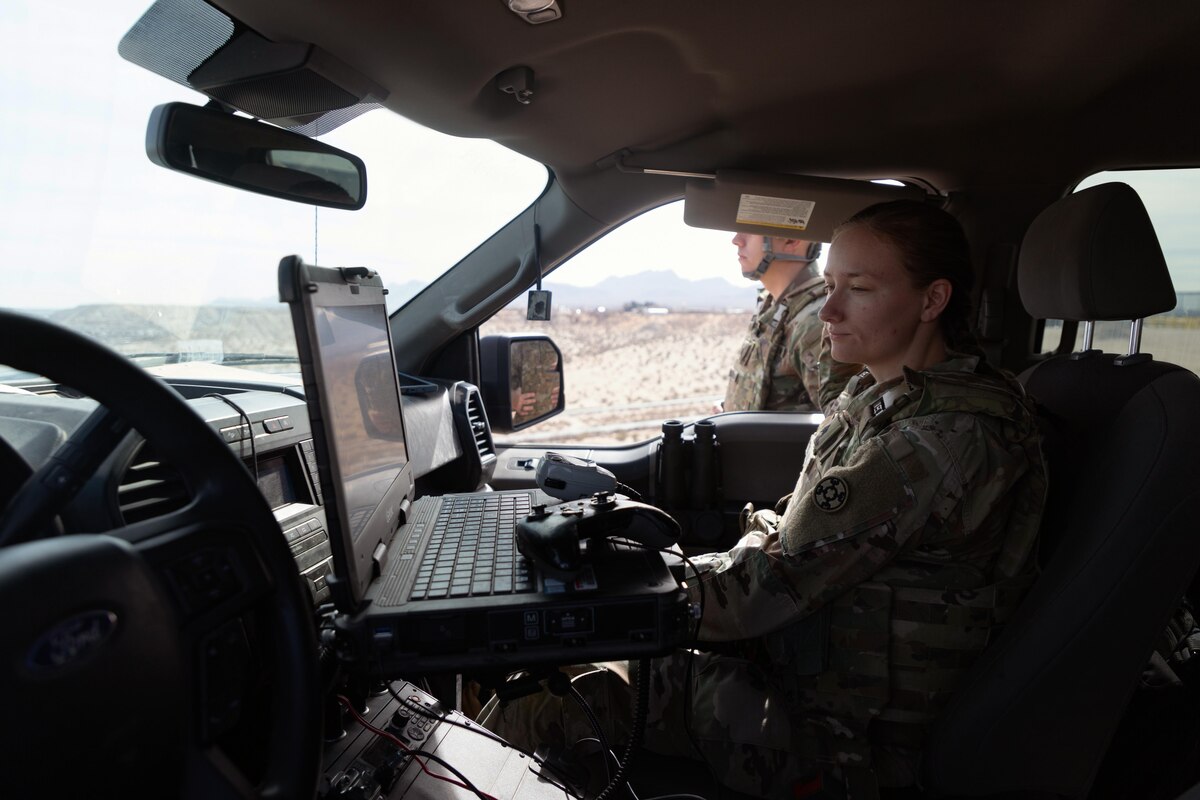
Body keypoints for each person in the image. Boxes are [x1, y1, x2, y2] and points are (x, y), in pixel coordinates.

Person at [479, 200, 1048, 799]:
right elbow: (793, 534)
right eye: (830, 286)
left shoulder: (934, 442)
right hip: (803, 672)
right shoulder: (883, 398)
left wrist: (607, 581)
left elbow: (766, 585)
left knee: (551, 697)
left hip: (849, 745)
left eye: (858, 288)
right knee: (564, 669)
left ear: (933, 301)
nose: (828, 309)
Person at [722, 233, 856, 412]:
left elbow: (838, 422)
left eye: (749, 230)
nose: (737, 240)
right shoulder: (773, 305)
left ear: (791, 240)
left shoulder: (814, 320)